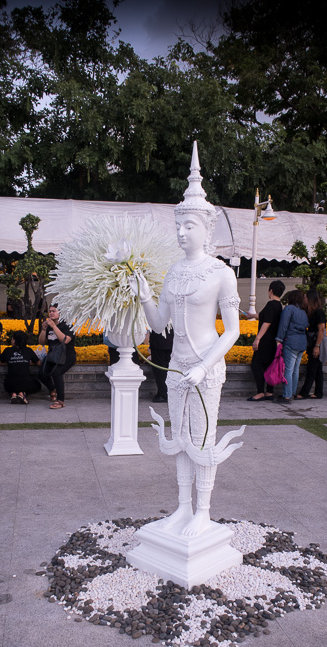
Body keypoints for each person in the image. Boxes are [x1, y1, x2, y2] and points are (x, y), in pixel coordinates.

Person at [129, 142, 242, 538]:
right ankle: (181, 507)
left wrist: (204, 367)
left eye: (189, 225)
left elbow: (233, 330)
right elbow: (160, 323)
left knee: (203, 438)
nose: (181, 232)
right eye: (178, 225)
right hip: (176, 367)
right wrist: (145, 295)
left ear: (207, 228)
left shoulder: (221, 273)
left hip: (204, 367)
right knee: (179, 438)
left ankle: (203, 511)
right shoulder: (173, 271)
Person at [248, 280, 285, 401]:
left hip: (266, 340)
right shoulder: (279, 305)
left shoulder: (271, 304)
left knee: (256, 364)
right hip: (274, 341)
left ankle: (260, 392)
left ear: (271, 291)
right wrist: (252, 315)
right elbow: (264, 316)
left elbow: (267, 322)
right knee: (269, 365)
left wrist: (257, 338)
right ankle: (269, 392)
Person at [38, 303, 76, 408]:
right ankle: (52, 389)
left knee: (56, 372)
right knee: (41, 373)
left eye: (54, 311)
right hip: (53, 355)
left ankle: (60, 400)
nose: (51, 313)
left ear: (60, 313)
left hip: (66, 355)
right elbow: (41, 342)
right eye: (50, 311)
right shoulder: (48, 326)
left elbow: (65, 340)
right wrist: (44, 329)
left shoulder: (67, 325)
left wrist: (54, 326)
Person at [274, 289, 309, 404]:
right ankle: (292, 392)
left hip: (291, 341)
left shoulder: (289, 309)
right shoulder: (303, 311)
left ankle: (287, 396)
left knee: (288, 370)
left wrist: (279, 339)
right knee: (295, 370)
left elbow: (283, 325)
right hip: (302, 342)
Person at [296, 289, 327, 399]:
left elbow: (321, 330)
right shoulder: (310, 312)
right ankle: (318, 393)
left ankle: (304, 393)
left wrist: (317, 346)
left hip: (317, 343)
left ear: (310, 299)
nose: (304, 299)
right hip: (312, 342)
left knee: (312, 368)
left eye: (305, 297)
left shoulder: (319, 312)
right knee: (318, 369)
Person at [0, 330, 41, 404]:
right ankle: (22, 393)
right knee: (37, 385)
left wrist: (10, 362)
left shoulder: (7, 350)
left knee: (13, 384)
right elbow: (39, 363)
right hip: (26, 383)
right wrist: (27, 362)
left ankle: (14, 394)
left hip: (9, 384)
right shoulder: (28, 350)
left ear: (14, 341)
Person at [149, 327, 174, 403]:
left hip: (159, 341)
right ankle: (169, 393)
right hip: (172, 341)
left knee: (160, 370)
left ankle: (163, 394)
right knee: (170, 369)